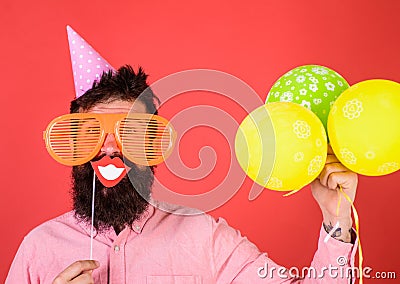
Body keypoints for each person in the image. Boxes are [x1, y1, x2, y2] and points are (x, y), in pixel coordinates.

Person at [6, 27, 358, 283]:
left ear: (154, 150)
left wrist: (336, 221)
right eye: (90, 135)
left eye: (131, 134)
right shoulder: (39, 249)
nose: (110, 148)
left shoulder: (202, 237)